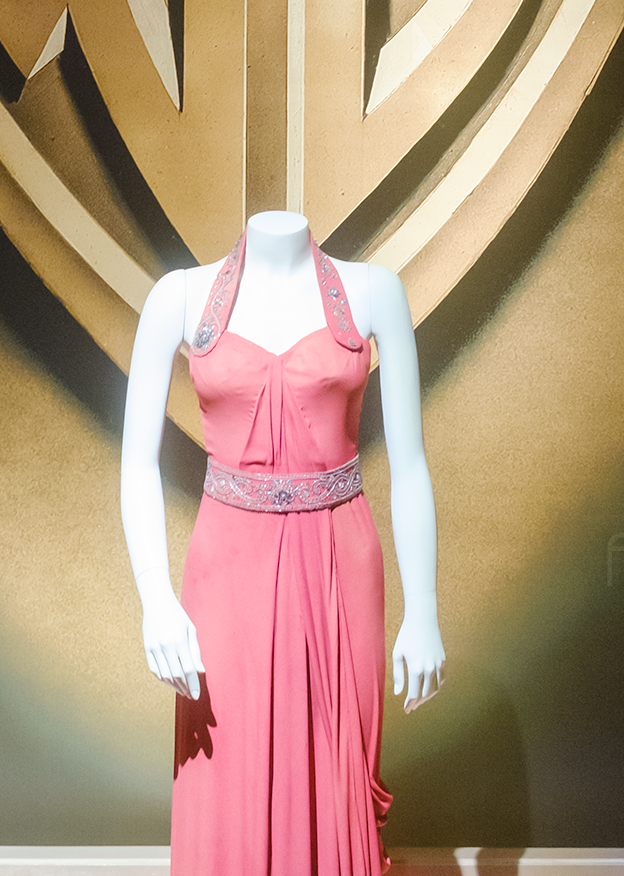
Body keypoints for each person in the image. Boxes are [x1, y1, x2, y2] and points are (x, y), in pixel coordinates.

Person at [120, 211, 444, 875]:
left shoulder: (375, 292)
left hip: (339, 569)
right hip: (226, 575)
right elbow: (136, 465)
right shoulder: (178, 298)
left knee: (337, 773)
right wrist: (154, 598)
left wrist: (425, 609)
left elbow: (410, 464)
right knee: (226, 783)